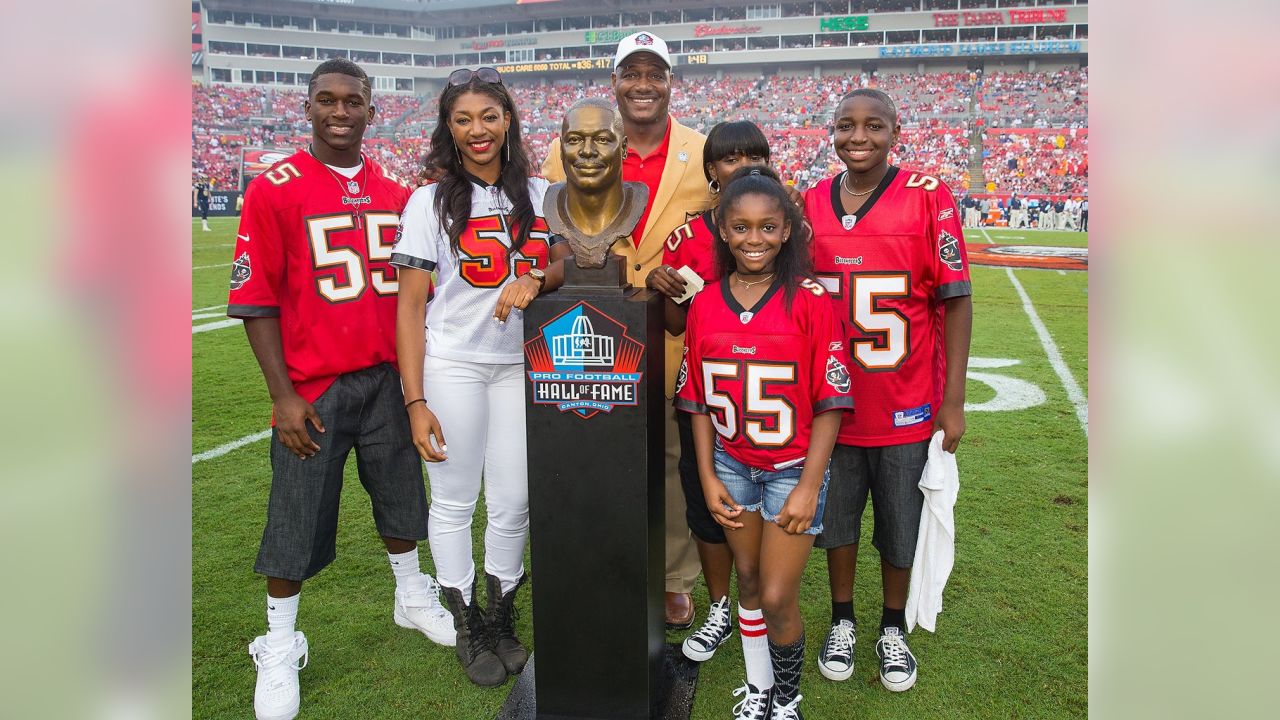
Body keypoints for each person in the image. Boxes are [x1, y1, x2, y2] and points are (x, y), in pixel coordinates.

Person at [227, 58, 453, 720]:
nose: (339, 111)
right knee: (296, 515)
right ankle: (277, 641)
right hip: (315, 385)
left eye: (352, 101)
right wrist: (283, 393)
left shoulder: (395, 192)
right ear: (308, 107)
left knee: (402, 495)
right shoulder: (275, 187)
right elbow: (255, 299)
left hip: (387, 375)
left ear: (370, 110)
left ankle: (411, 595)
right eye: (326, 100)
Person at [392, 66, 570, 688]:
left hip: (523, 365)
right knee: (454, 498)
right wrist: (415, 399)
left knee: (516, 498)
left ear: (509, 120)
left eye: (489, 116)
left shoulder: (544, 191)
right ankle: (466, 617)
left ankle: (501, 610)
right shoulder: (429, 200)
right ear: (448, 126)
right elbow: (411, 306)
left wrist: (534, 278)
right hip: (455, 364)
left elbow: (565, 261)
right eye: (463, 119)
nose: (478, 130)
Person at [803, 89, 972, 694]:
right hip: (835, 406)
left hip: (906, 402)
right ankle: (844, 620)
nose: (859, 136)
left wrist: (952, 401)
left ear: (895, 131)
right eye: (846, 125)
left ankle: (892, 627)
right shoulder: (810, 202)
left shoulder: (928, 196)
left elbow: (956, 299)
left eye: (873, 125)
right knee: (838, 525)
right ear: (831, 131)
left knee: (901, 527)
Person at [542, 31, 710, 630]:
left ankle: (672, 578)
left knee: (669, 456)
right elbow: (553, 229)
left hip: (670, 329)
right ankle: (601, 561)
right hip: (589, 322)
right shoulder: (574, 145)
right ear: (615, 82)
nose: (643, 84)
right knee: (592, 450)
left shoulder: (701, 148)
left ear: (670, 83)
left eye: (654, 74)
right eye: (631, 74)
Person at [675, 167, 852, 720]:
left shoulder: (811, 299)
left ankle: (788, 698)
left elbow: (830, 402)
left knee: (776, 596)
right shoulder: (704, 303)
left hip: (791, 468)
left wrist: (808, 484)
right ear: (722, 232)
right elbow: (699, 401)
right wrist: (707, 476)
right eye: (742, 227)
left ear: (786, 231)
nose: (755, 239)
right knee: (746, 580)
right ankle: (759, 687)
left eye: (768, 227)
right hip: (731, 462)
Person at [646, 120, 769, 664]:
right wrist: (662, 285)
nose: (739, 166)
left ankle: (761, 605)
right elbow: (675, 324)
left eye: (751, 155)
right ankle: (721, 606)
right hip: (705, 390)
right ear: (711, 172)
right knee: (705, 503)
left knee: (771, 501)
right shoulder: (690, 234)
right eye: (727, 158)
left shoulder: (788, 224)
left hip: (772, 392)